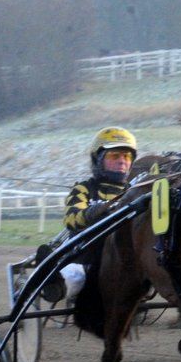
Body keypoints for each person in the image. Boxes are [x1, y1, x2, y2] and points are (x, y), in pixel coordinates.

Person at [41, 127, 137, 302]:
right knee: (76, 275)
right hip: (87, 256)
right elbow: (71, 219)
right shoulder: (84, 189)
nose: (122, 161)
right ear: (97, 159)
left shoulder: (135, 192)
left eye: (127, 156)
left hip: (124, 258)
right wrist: (92, 212)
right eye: (114, 156)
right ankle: (56, 283)